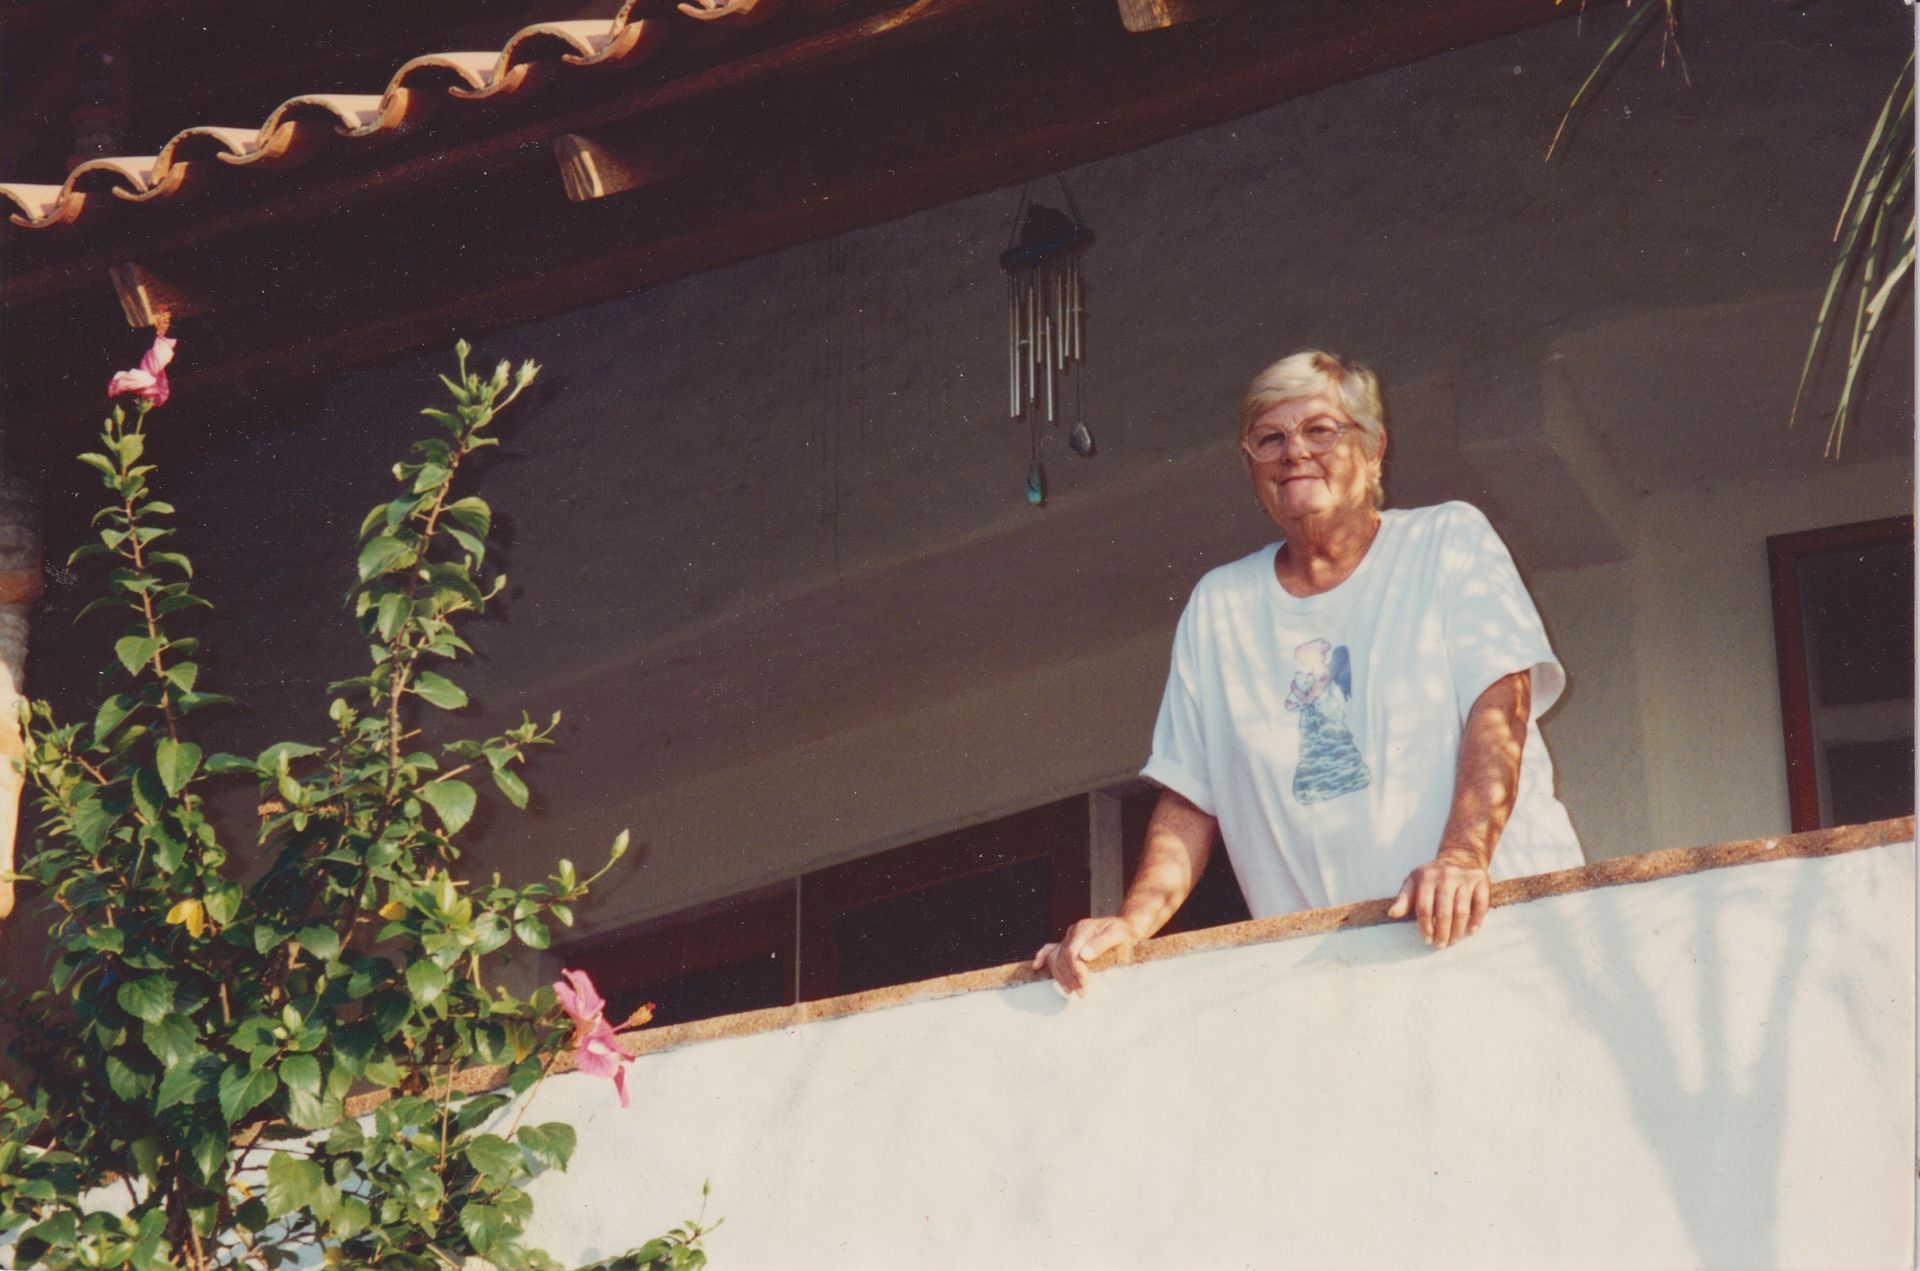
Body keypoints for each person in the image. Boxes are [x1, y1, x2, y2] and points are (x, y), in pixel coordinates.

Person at [1033, 351, 1582, 996]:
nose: (1295, 452)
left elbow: (1501, 705)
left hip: (1496, 935)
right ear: (1251, 468)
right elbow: (1191, 794)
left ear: (1375, 450)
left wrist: (1462, 857)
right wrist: (1133, 921)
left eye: (1321, 430)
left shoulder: (1447, 540)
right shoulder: (1221, 605)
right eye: (1270, 439)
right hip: (1333, 977)